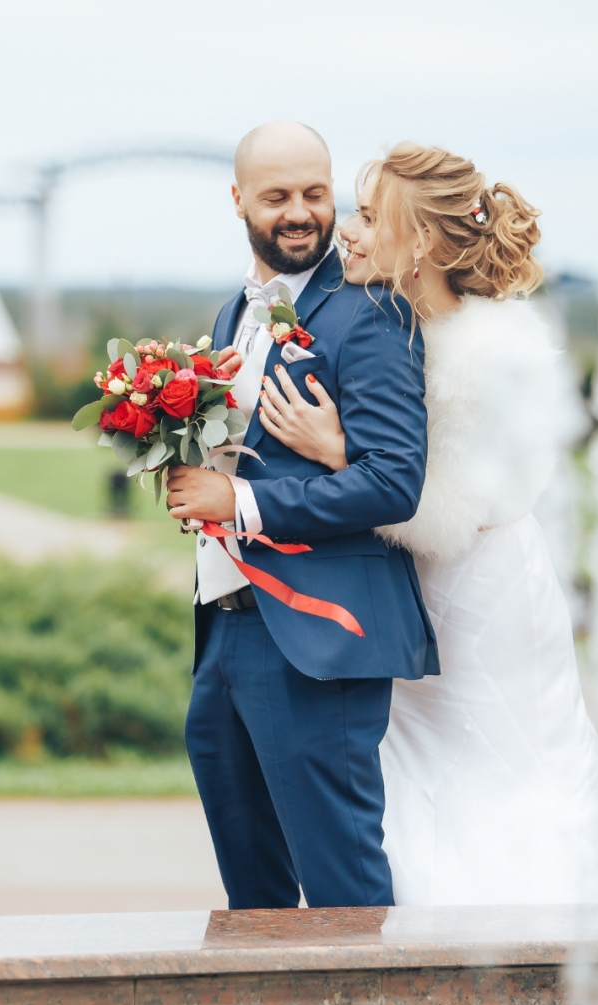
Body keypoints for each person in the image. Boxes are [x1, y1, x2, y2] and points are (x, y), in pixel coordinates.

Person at [255, 142, 598, 904]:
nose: (350, 234)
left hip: (481, 593)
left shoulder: (494, 350)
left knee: (500, 771)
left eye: (370, 218)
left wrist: (338, 452)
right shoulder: (391, 327)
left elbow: (456, 514)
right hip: (411, 587)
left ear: (424, 241)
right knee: (413, 775)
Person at [163, 122, 438, 910]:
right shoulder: (230, 319)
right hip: (224, 627)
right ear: (239, 200)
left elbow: (395, 482)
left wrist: (240, 501)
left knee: (343, 886)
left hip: (320, 643)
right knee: (252, 893)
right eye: (277, 196)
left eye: (315, 194)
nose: (299, 212)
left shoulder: (370, 315)